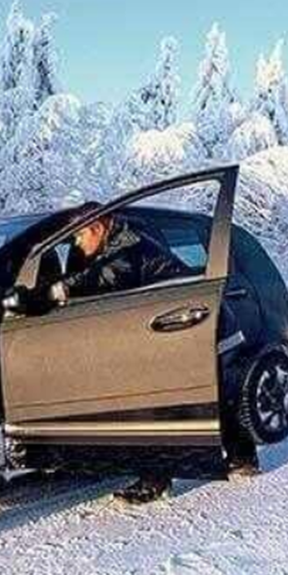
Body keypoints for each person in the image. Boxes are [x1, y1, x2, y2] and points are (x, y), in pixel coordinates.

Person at [48, 203, 190, 504]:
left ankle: (156, 479)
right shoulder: (115, 239)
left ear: (97, 228)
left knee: (145, 402)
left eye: (78, 236)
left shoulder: (129, 242)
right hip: (158, 323)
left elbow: (111, 275)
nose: (76, 244)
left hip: (179, 322)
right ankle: (238, 456)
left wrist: (60, 291)